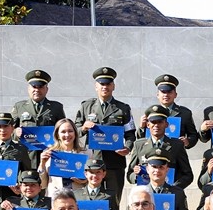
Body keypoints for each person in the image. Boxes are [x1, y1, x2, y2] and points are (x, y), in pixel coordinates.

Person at [74, 66, 134, 201]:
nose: (105, 87)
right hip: (93, 161)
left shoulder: (123, 108)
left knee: (115, 200)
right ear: (96, 86)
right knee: (92, 199)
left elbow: (130, 133)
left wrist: (127, 148)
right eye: (101, 84)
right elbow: (75, 130)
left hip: (115, 162)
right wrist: (83, 128)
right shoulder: (86, 106)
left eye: (108, 84)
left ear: (113, 86)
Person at [126, 108, 193, 190]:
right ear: (148, 125)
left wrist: (174, 188)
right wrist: (136, 176)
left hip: (169, 194)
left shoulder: (177, 145)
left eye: (160, 122)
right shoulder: (139, 145)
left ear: (166, 124)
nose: (156, 125)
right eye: (153, 122)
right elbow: (130, 174)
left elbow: (188, 175)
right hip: (145, 192)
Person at [0, 111, 33, 205]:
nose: (3, 130)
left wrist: (20, 187)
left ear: (12, 128)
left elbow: (27, 173)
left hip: (11, 198)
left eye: (6, 126)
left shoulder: (21, 149)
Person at [140, 74, 199, 149]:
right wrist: (141, 127)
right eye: (163, 92)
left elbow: (193, 135)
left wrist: (188, 141)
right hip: (154, 153)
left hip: (176, 154)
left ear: (175, 95)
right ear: (158, 95)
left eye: (169, 92)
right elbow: (140, 139)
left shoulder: (185, 113)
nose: (166, 95)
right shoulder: (150, 113)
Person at [38, 117, 87, 193]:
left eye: (70, 131)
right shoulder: (49, 152)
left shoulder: (86, 153)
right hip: (56, 197)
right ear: (57, 135)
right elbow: (42, 184)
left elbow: (94, 180)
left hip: (78, 196)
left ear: (75, 133)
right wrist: (42, 164)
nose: (67, 135)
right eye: (63, 132)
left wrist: (83, 181)